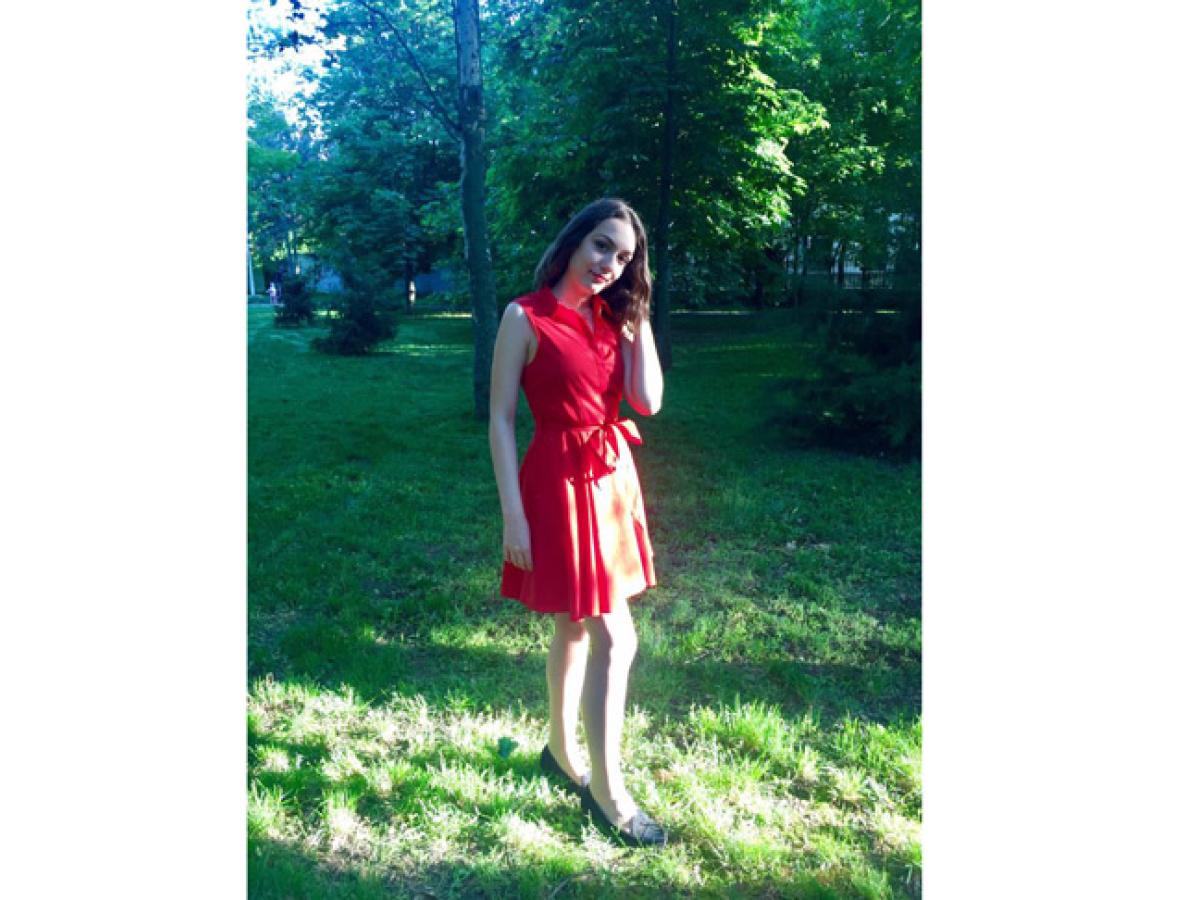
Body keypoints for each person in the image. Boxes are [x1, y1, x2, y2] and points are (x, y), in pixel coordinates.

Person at [488, 198, 667, 847]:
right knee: (615, 638)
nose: (609, 264)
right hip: (557, 483)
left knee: (574, 621)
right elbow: (501, 419)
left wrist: (639, 318)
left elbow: (647, 401)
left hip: (611, 480)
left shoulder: (614, 318)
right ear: (573, 241)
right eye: (601, 245)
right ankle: (607, 793)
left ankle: (562, 754)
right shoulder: (524, 316)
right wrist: (513, 516)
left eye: (624, 258)